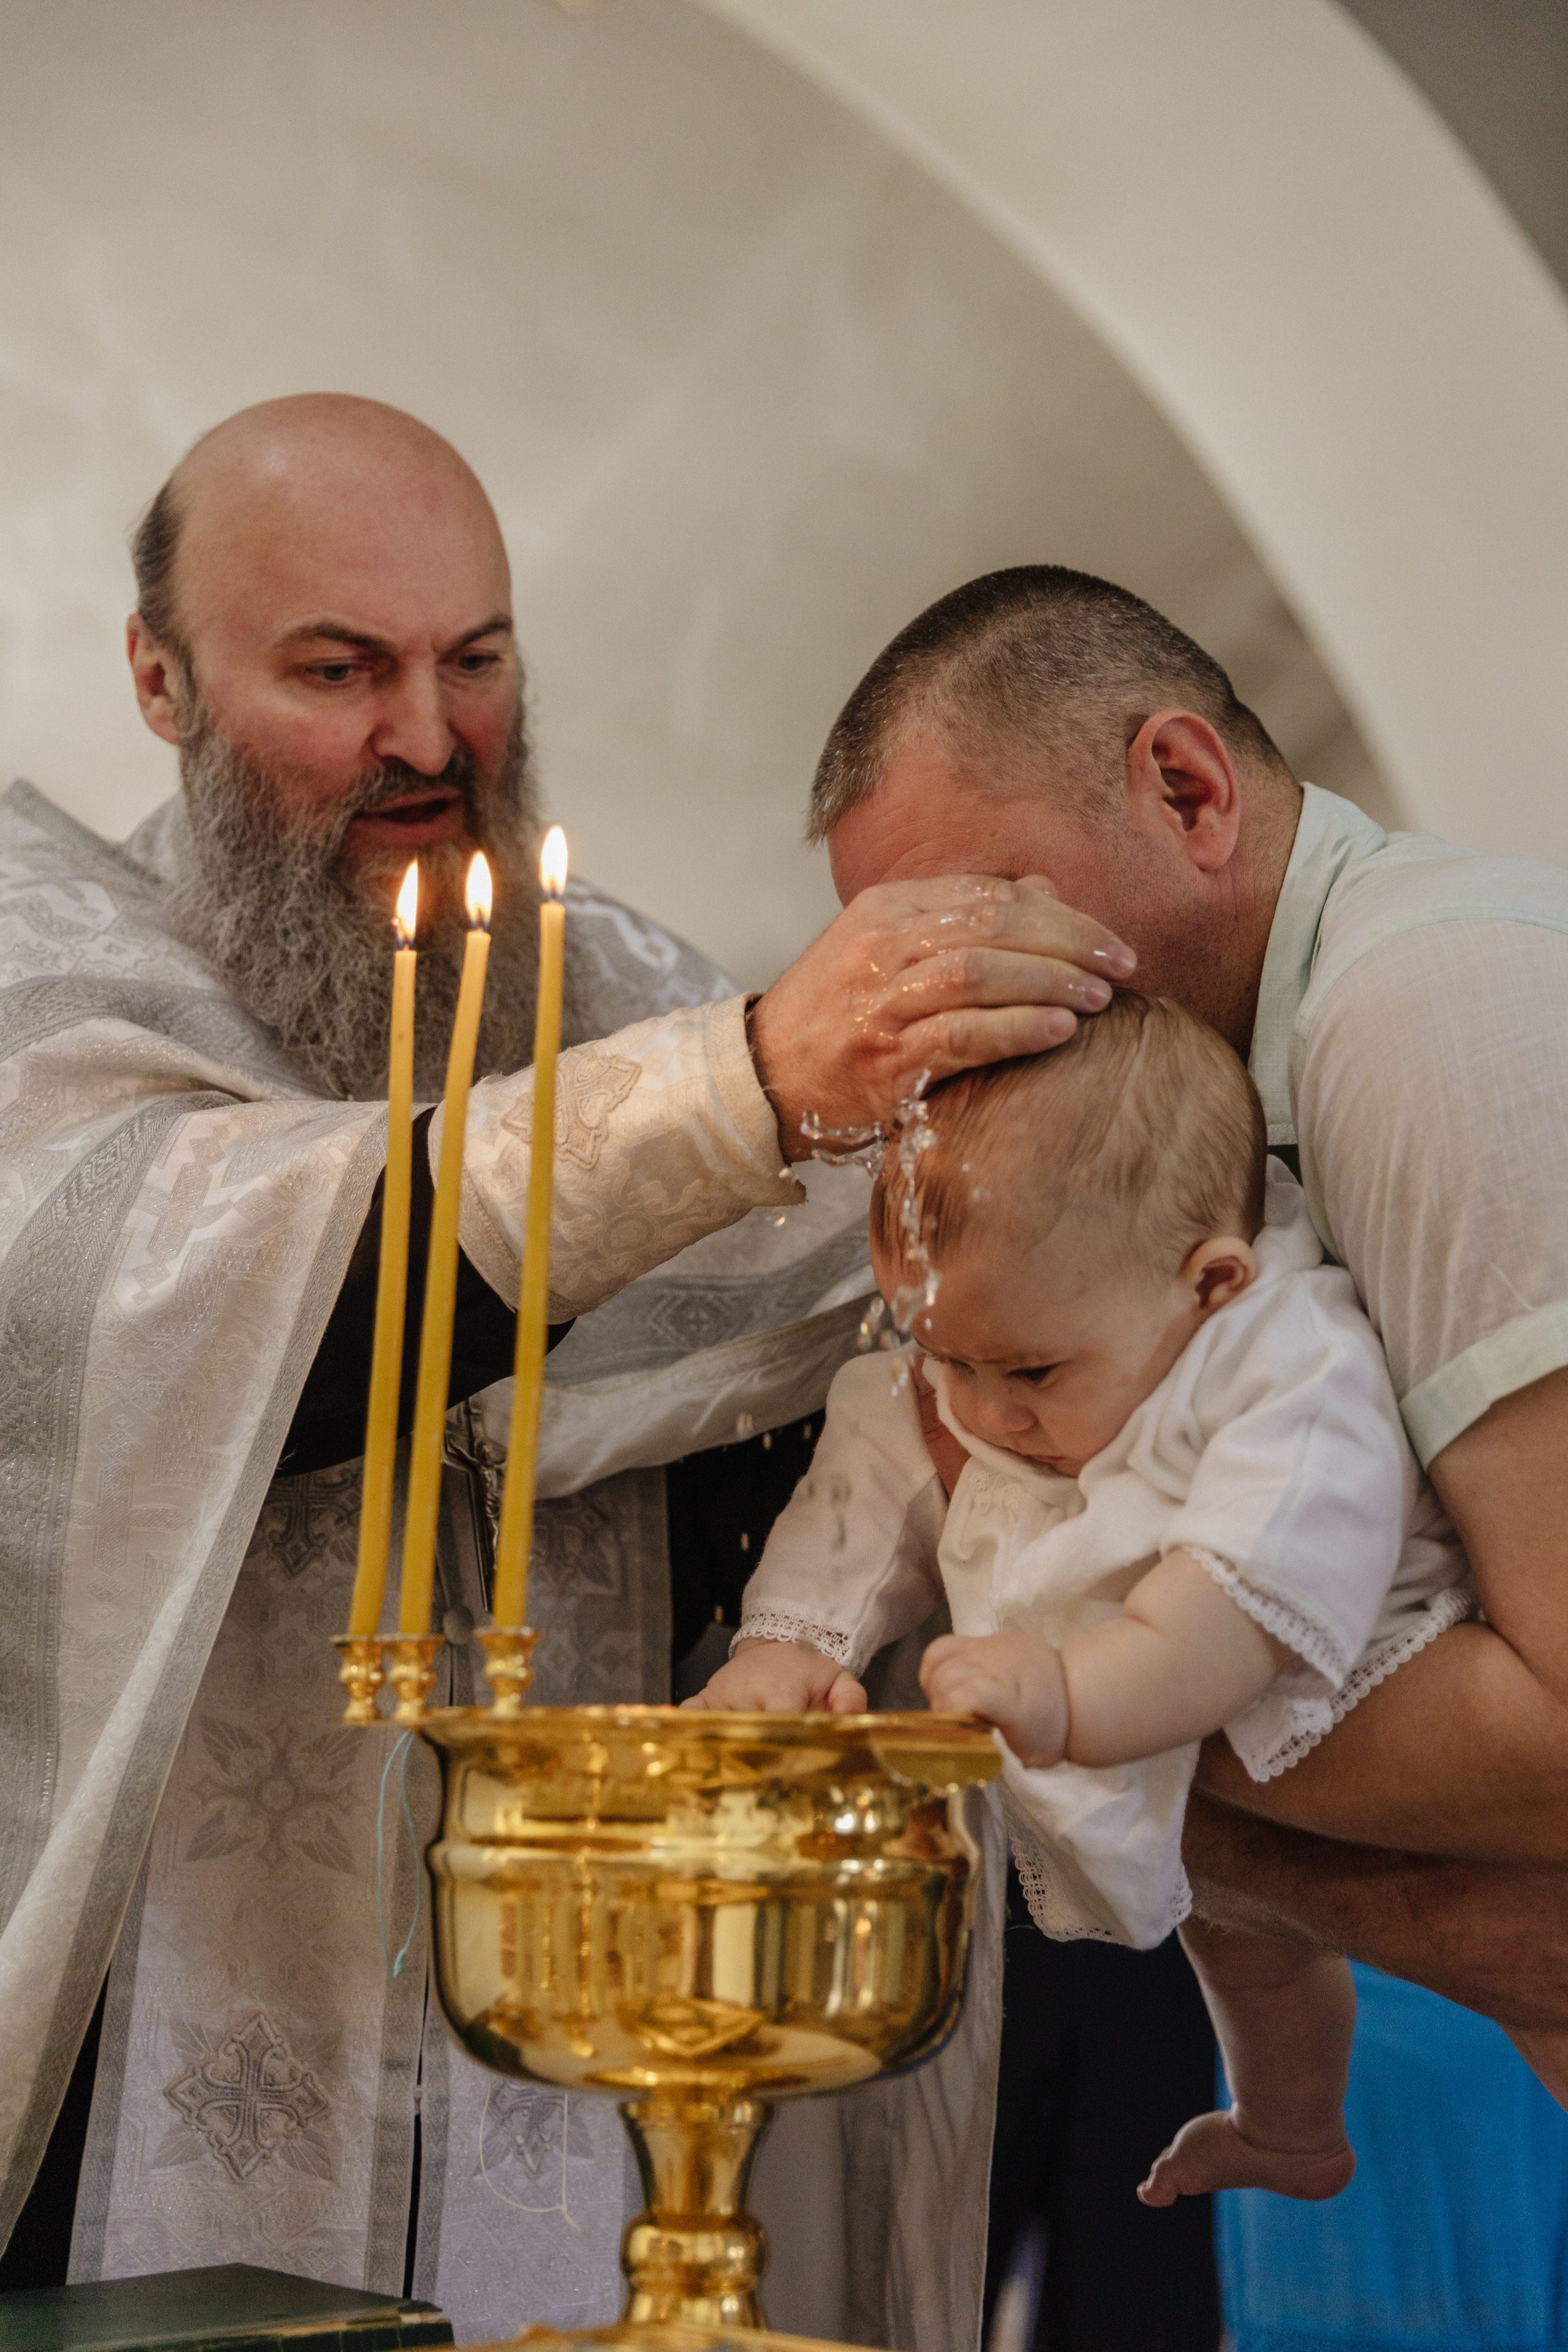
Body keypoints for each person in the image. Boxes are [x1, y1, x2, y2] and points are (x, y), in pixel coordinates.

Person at [0, 406, 1126, 2335]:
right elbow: (191, 1293)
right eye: (339, 672)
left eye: (477, 659)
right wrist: (740, 1093)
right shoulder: (55, 987)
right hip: (146, 2088)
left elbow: (848, 1385)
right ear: (160, 681)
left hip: (598, 2069)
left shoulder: (631, 992)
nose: (431, 739)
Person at [799, 561, 1568, 2347]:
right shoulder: (1229, 1093)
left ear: (1186, 787)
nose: (943, 1013)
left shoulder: (1420, 1009)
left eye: (980, 923)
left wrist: (1075, 1709)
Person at [696, 992, 1471, 2207]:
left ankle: (1303, 2113)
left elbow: (1243, 1596)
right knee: (1235, 1928)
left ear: (1210, 1283)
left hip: (1341, 1664)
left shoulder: (1291, 1364)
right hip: (1150, 1696)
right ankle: (1286, 2132)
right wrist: (790, 1643)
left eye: (1028, 1371)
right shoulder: (1004, 1343)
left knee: (1384, 1936)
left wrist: (1073, 1693)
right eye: (943, 1352)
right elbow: (866, 1484)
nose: (980, 1407)